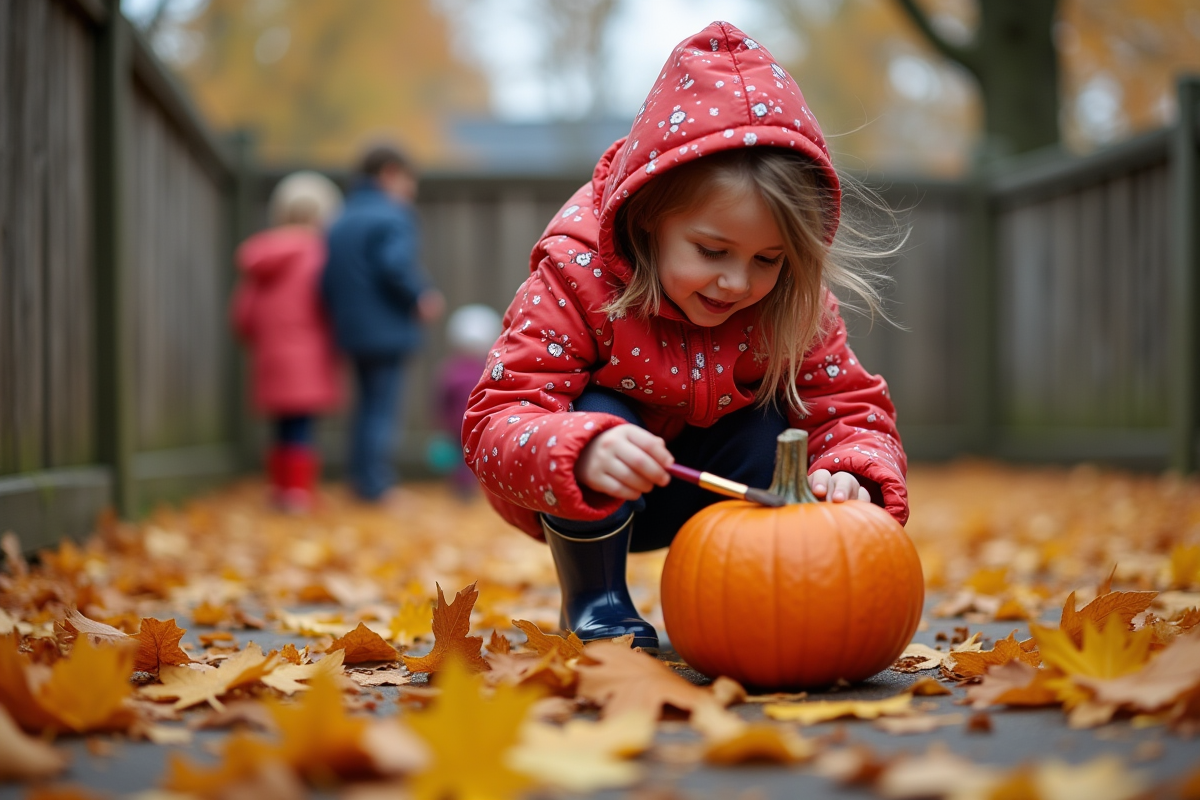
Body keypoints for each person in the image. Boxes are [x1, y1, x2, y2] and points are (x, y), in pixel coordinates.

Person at [462, 21, 908, 652]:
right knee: (598, 409)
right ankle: (596, 600)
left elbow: (849, 408)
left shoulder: (793, 304)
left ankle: (749, 601)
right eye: (712, 251)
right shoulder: (575, 277)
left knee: (770, 427)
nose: (737, 282)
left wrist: (850, 470)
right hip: (591, 494)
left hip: (725, 485)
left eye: (768, 259)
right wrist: (578, 449)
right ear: (648, 217)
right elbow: (496, 416)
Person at [322, 144, 444, 503]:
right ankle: (377, 486)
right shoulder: (392, 215)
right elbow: (394, 265)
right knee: (382, 408)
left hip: (351, 327)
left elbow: (326, 277)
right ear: (389, 172)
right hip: (386, 328)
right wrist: (420, 295)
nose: (411, 190)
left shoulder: (341, 217)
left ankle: (360, 479)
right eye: (408, 180)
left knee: (363, 407)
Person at [231, 170, 344, 512]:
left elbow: (243, 316)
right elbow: (330, 302)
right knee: (302, 425)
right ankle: (298, 491)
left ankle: (280, 488)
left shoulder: (261, 257)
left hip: (270, 356)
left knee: (280, 425)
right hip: (310, 352)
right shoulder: (320, 255)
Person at [434, 304, 502, 497]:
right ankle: (468, 487)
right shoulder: (487, 370)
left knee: (462, 457)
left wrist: (441, 420)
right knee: (469, 455)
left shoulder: (451, 369)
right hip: (475, 423)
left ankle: (464, 487)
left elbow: (441, 399)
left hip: (459, 424)